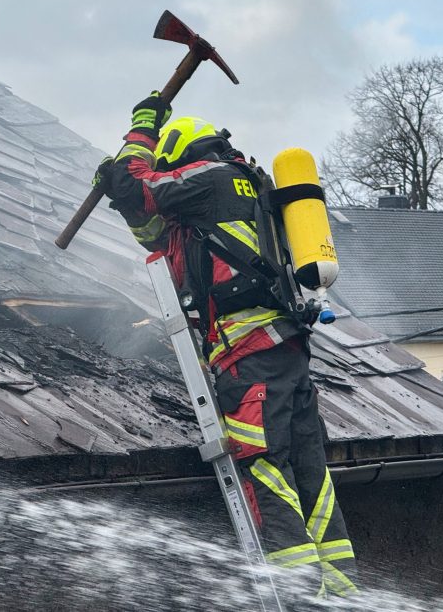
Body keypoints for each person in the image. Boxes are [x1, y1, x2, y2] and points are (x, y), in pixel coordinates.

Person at [95, 92, 359, 603]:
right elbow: (156, 233)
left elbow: (138, 185)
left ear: (180, 155)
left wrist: (140, 129)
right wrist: (120, 192)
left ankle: (296, 598)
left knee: (265, 470)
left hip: (249, 356)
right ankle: (344, 597)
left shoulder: (206, 178)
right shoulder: (248, 186)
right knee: (312, 481)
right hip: (286, 353)